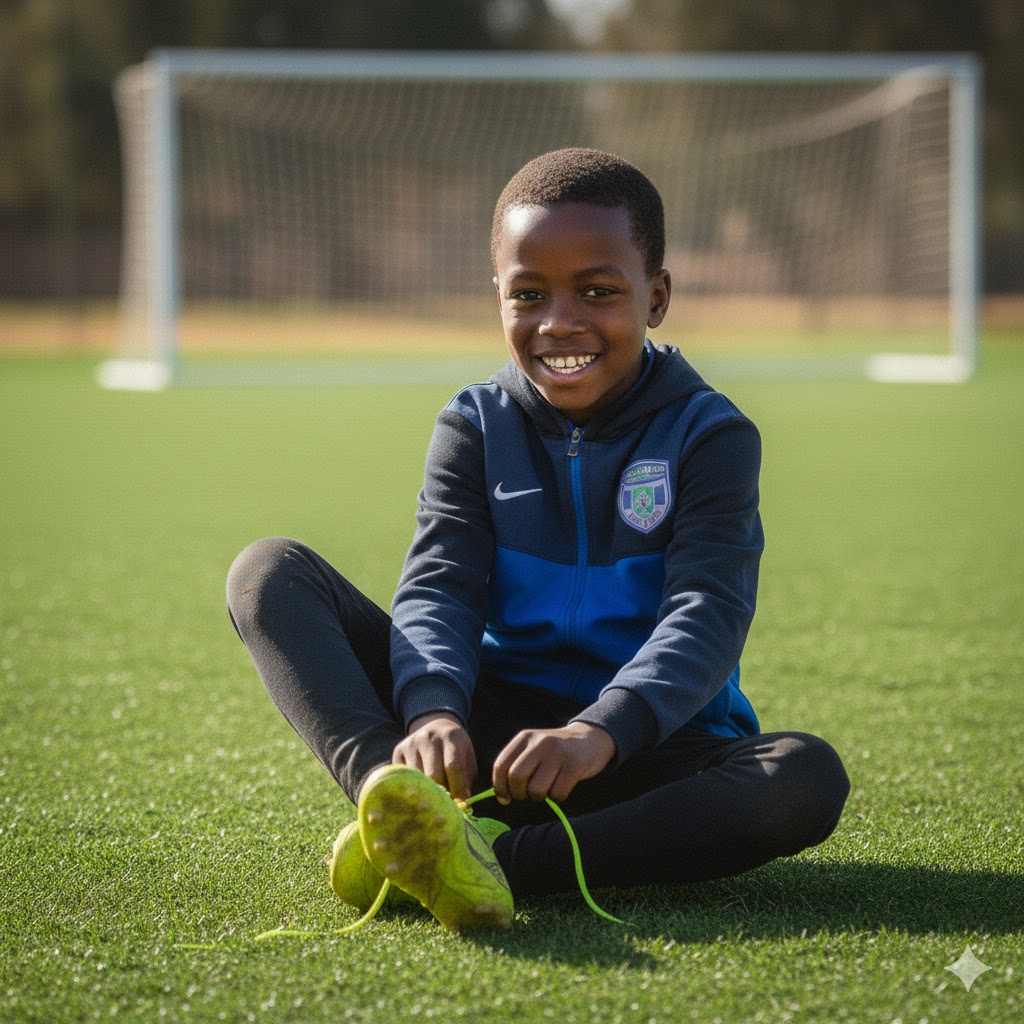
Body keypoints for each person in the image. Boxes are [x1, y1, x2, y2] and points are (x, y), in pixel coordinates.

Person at [227, 147, 850, 932]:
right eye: (528, 294)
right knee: (269, 573)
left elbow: (707, 614)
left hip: (645, 753)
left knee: (804, 776)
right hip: (496, 748)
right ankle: (402, 805)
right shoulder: (473, 426)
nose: (559, 322)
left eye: (598, 291)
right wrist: (432, 712)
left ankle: (498, 862)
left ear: (657, 297)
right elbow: (441, 587)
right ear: (498, 297)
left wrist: (599, 731)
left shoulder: (711, 434)